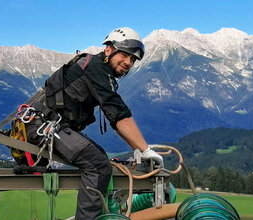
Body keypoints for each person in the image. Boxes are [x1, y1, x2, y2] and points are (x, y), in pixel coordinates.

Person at [24, 27, 163, 219]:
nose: (128, 62)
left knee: (100, 157)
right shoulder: (95, 68)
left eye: (132, 59)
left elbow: (115, 117)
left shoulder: (97, 68)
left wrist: (138, 149)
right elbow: (118, 113)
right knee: (98, 166)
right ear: (108, 50)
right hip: (44, 126)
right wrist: (145, 149)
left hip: (47, 125)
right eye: (124, 55)